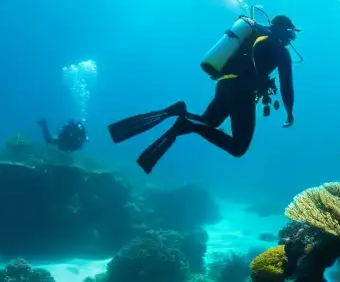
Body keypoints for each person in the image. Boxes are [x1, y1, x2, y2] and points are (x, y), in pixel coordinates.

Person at [108, 14, 299, 174]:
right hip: (242, 91)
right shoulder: (280, 50)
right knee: (239, 147)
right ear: (283, 30)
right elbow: (286, 85)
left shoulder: (252, 36)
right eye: (290, 34)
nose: (291, 39)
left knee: (209, 123)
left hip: (224, 84)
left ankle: (180, 112)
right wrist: (289, 112)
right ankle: (187, 121)